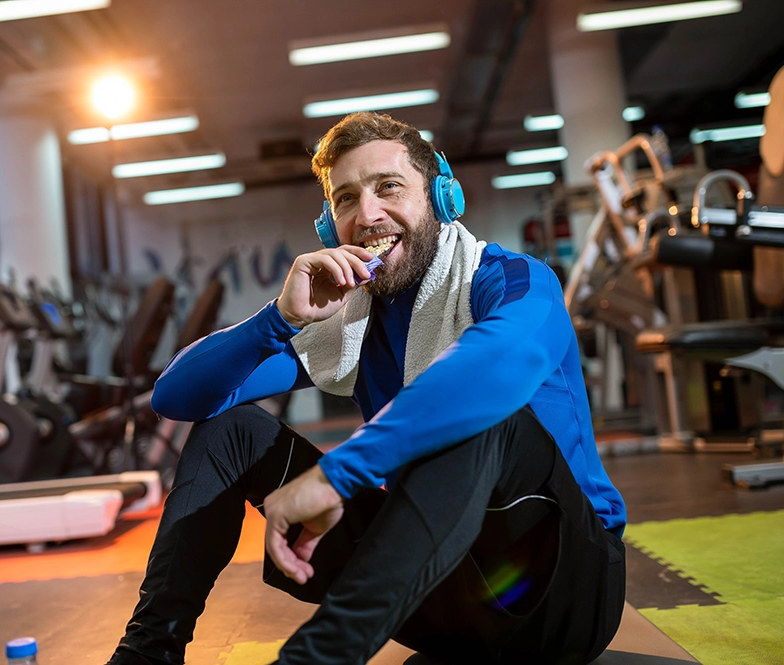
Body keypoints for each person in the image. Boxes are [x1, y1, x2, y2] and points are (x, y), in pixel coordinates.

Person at [105, 111, 627, 665]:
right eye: (346, 199)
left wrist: (338, 472)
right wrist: (278, 318)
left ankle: (316, 657)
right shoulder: (351, 322)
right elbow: (177, 397)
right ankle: (146, 655)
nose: (368, 214)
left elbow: (497, 367)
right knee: (232, 431)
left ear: (441, 199)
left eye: (388, 188)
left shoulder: (512, 279)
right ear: (329, 225)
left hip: (562, 594)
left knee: (487, 415)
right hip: (436, 594)